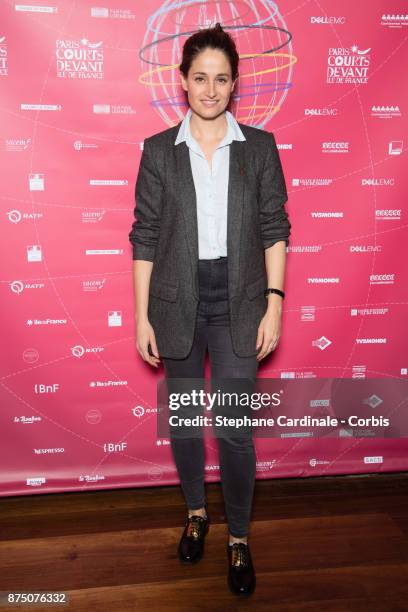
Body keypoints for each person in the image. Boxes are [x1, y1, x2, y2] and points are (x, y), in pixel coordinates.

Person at [129, 23, 291, 597]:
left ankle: (239, 538)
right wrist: (142, 314)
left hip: (239, 302)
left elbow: (275, 228)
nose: (211, 89)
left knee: (235, 429)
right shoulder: (157, 151)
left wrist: (274, 304)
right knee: (184, 422)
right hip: (175, 300)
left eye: (222, 78)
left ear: (235, 83)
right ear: (183, 82)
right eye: (200, 77)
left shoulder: (261, 148)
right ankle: (196, 512)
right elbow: (144, 236)